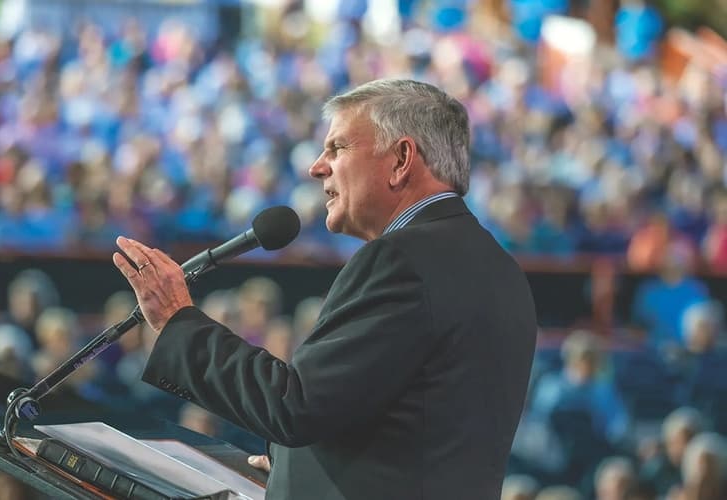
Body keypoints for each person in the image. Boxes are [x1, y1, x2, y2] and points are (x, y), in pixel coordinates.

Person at [113, 79, 537, 499]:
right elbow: (417, 431)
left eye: (338, 148)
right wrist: (299, 469)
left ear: (401, 159)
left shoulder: (400, 260)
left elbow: (296, 407)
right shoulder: (500, 269)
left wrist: (177, 320)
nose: (317, 166)